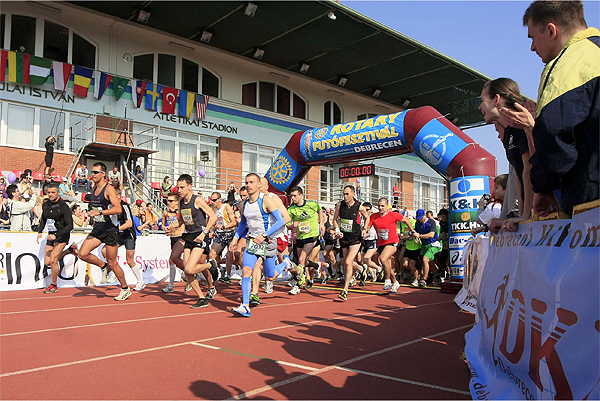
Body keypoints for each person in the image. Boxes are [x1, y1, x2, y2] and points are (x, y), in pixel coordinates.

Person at [500, 1, 599, 220]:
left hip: (590, 209)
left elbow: (555, 138)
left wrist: (543, 187)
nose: (532, 47)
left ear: (551, 31)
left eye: (533, 37)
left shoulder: (568, 65)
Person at [228, 173, 289, 317]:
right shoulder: (243, 204)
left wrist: (264, 235)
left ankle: (285, 263)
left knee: (270, 276)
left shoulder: (266, 200)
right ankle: (245, 305)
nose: (248, 185)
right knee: (246, 270)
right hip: (253, 242)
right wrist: (235, 238)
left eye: (251, 182)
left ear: (258, 185)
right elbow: (243, 222)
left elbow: (281, 221)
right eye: (246, 182)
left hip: (268, 241)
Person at [478, 78, 534, 230]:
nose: (479, 107)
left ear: (497, 99)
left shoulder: (521, 123)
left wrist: (526, 214)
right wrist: (521, 214)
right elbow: (518, 177)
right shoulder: (509, 131)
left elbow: (529, 169)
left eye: (482, 101)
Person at [77, 162, 131, 301]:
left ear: (103, 174)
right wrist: (92, 214)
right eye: (92, 172)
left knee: (113, 263)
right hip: (98, 229)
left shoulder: (109, 189)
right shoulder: (94, 188)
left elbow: (118, 209)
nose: (93, 174)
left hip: (110, 230)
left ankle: (125, 288)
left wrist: (99, 212)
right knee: (82, 254)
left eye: (96, 172)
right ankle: (103, 266)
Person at [164, 174, 218, 309]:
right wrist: (170, 227)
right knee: (187, 270)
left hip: (200, 235)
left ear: (190, 186)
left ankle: (210, 265)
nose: (179, 190)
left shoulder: (197, 200)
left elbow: (213, 217)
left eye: (182, 187)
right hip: (188, 235)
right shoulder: (181, 202)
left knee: (189, 268)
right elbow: (181, 221)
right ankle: (202, 298)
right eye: (178, 187)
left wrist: (204, 233)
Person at [101, 187, 146, 291]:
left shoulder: (124, 206)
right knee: (104, 250)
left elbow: (129, 223)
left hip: (128, 235)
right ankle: (114, 271)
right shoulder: (110, 206)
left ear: (118, 196)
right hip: (118, 235)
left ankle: (140, 281)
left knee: (130, 260)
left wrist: (116, 229)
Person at [366, 198, 414, 293]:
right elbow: (368, 226)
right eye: (379, 206)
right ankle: (395, 282)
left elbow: (406, 220)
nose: (380, 208)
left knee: (382, 259)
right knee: (386, 265)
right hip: (382, 243)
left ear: (387, 206)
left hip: (393, 242)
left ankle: (387, 280)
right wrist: (365, 231)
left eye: (382, 206)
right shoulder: (374, 216)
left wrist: (413, 231)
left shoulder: (393, 215)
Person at [332, 185, 370, 301]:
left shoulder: (359, 206)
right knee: (345, 262)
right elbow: (334, 220)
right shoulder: (340, 205)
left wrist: (365, 229)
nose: (345, 196)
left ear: (353, 194)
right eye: (343, 194)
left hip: (355, 237)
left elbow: (367, 218)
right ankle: (361, 269)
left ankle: (345, 290)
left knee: (348, 261)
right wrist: (337, 230)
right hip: (344, 237)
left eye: (347, 194)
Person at [36, 182, 75, 293]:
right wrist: (40, 231)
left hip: (62, 235)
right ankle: (69, 251)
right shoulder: (46, 204)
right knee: (48, 262)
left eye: (53, 192)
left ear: (58, 193)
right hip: (51, 235)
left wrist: (56, 235)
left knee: (53, 259)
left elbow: (70, 226)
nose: (50, 194)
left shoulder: (63, 206)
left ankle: (53, 285)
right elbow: (43, 218)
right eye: (49, 192)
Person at [287, 186, 325, 294]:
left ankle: (298, 284)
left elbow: (320, 209)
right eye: (291, 196)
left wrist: (321, 223)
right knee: (303, 261)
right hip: (300, 237)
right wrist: (292, 225)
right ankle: (317, 265)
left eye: (294, 196)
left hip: (312, 235)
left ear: (301, 195)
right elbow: (287, 225)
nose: (292, 198)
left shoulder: (311, 204)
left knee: (301, 259)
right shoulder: (291, 209)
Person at [208, 192, 237, 283]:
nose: (212, 202)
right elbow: (215, 222)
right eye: (211, 200)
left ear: (219, 199)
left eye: (214, 200)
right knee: (212, 255)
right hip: (219, 234)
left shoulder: (226, 207)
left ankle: (228, 275)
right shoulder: (213, 209)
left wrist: (224, 227)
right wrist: (212, 231)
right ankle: (217, 272)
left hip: (229, 233)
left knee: (230, 257)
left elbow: (234, 222)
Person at [161, 192, 185, 293]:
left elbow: (183, 221)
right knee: (173, 260)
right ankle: (171, 285)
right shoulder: (165, 212)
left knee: (176, 259)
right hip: (172, 237)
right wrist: (165, 229)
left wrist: (176, 211)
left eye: (171, 201)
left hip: (182, 237)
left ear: (177, 202)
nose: (168, 203)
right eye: (167, 201)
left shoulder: (181, 211)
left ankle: (191, 274)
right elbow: (163, 224)